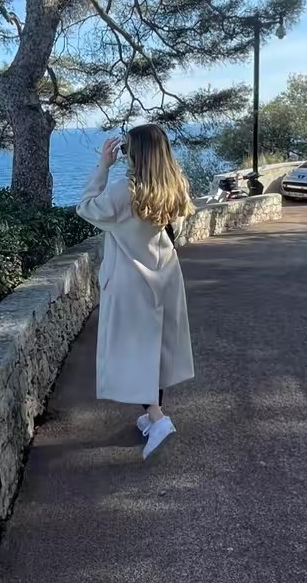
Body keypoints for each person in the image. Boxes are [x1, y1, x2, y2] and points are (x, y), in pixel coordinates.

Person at [76, 124, 195, 460]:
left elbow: (86, 207)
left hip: (131, 281)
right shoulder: (174, 186)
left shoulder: (123, 191)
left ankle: (158, 419)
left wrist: (103, 165)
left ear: (134, 154)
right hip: (165, 275)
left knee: (134, 353)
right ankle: (153, 414)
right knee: (155, 350)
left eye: (127, 149)